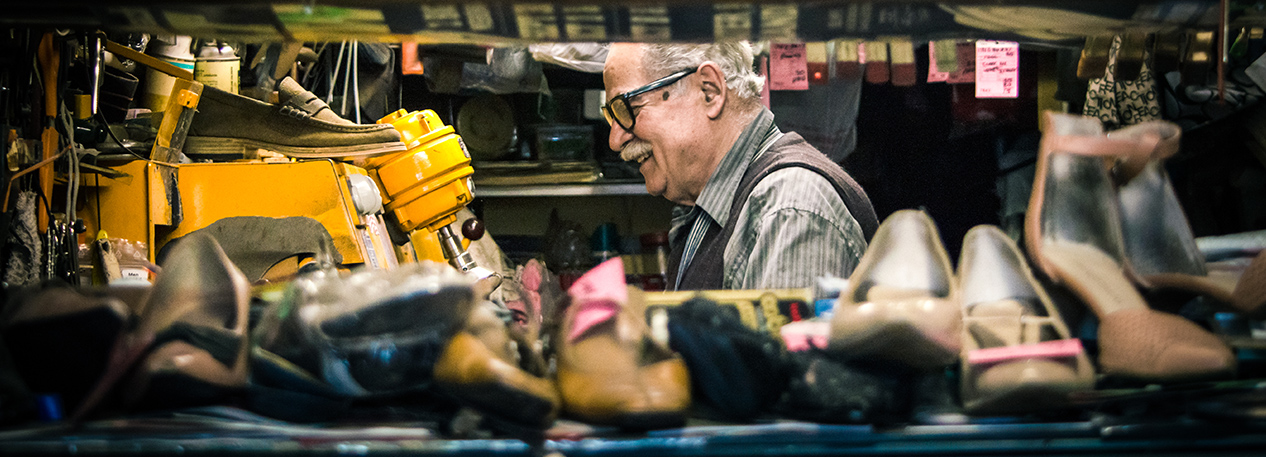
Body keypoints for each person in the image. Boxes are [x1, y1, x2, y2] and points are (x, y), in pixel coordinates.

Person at [603, 42, 879, 291]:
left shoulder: (789, 207)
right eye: (611, 116)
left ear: (709, 91)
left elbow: (779, 348)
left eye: (627, 108)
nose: (615, 140)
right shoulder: (711, 205)